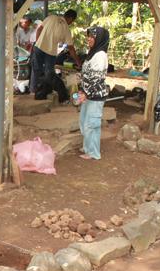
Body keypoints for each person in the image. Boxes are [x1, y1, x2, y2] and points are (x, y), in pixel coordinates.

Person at [31, 9, 82, 100]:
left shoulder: (51, 17)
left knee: (36, 70)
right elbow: (71, 48)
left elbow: (39, 29)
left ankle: (35, 91)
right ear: (70, 18)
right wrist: (78, 62)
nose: (71, 23)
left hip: (38, 47)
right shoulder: (66, 28)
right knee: (49, 74)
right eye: (72, 21)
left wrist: (38, 42)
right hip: (50, 53)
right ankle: (45, 91)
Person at [77, 26, 110, 161]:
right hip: (88, 94)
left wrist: (86, 93)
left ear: (99, 39)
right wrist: (81, 89)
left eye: (92, 37)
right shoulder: (92, 53)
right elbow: (86, 74)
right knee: (84, 121)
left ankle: (93, 153)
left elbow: (96, 79)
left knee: (92, 124)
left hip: (95, 96)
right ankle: (87, 147)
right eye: (88, 36)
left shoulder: (100, 55)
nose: (89, 39)